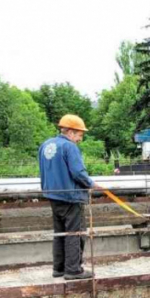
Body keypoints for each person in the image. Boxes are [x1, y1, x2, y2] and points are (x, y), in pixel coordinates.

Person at [38, 115, 96, 280]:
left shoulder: (45, 145)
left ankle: (59, 268)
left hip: (53, 195)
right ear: (70, 132)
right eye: (79, 135)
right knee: (75, 233)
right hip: (71, 196)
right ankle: (73, 269)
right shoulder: (69, 147)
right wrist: (91, 184)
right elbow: (78, 172)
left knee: (60, 232)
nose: (80, 139)